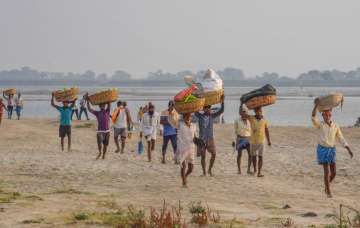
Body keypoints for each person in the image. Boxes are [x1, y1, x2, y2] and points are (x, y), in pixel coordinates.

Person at [312, 100, 353, 198]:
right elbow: (313, 117)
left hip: (332, 150)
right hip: (322, 149)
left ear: (331, 115)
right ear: (323, 116)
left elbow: (341, 138)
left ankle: (326, 186)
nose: (327, 116)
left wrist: (348, 148)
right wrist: (316, 105)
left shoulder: (335, 125)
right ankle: (328, 191)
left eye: (329, 115)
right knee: (326, 171)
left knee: (334, 173)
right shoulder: (320, 125)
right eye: (325, 115)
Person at [195, 95, 225, 176]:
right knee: (203, 156)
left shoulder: (212, 116)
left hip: (210, 138)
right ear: (203, 109)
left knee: (214, 154)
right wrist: (197, 100)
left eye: (209, 108)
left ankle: (209, 170)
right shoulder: (200, 116)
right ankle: (204, 172)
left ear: (210, 109)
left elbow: (221, 110)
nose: (208, 109)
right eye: (206, 108)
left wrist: (222, 102)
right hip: (202, 139)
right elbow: (195, 110)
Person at [247, 107, 271, 177]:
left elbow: (266, 130)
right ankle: (255, 169)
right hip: (253, 141)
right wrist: (241, 104)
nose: (259, 112)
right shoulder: (251, 118)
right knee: (254, 156)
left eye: (260, 111)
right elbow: (242, 114)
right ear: (255, 111)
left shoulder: (264, 119)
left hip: (262, 141)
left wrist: (269, 140)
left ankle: (259, 172)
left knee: (261, 156)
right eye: (258, 111)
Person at [86, 94, 111, 160]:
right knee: (99, 143)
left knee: (105, 145)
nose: (103, 106)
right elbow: (89, 109)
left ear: (105, 106)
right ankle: (100, 152)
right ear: (100, 106)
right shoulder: (97, 113)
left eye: (104, 105)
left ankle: (104, 155)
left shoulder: (107, 111)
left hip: (107, 131)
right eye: (102, 105)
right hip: (100, 131)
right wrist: (88, 101)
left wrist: (108, 97)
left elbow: (109, 103)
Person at [177, 113, 197, 187]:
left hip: (191, 148)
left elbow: (194, 137)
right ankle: (184, 182)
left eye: (189, 117)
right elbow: (172, 120)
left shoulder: (193, 126)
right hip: (182, 148)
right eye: (186, 117)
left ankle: (185, 176)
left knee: (191, 168)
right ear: (184, 117)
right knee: (183, 166)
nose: (188, 118)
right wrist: (171, 112)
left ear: (191, 118)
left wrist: (198, 141)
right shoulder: (180, 125)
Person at [234, 106, 252, 174]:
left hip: (248, 139)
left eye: (245, 112)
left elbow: (251, 130)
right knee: (239, 155)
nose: (244, 113)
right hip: (240, 139)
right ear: (241, 113)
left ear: (247, 113)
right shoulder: (237, 120)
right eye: (243, 112)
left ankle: (248, 169)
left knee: (250, 154)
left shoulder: (249, 120)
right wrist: (235, 140)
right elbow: (235, 131)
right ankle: (239, 170)